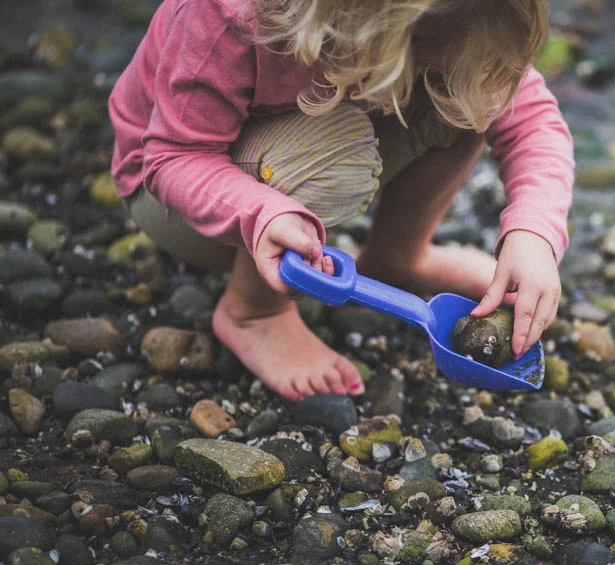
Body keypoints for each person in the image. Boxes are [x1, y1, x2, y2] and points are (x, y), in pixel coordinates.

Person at [108, 0, 574, 401]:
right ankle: (253, 311)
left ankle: (397, 256)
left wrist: (532, 233)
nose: (441, 54)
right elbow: (173, 157)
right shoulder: (235, 17)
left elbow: (530, 119)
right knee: (337, 148)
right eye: (430, 40)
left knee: (473, 91)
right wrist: (262, 213)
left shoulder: (446, 21)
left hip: (304, 137)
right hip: (176, 199)